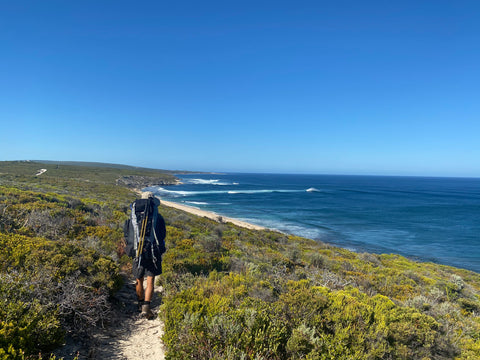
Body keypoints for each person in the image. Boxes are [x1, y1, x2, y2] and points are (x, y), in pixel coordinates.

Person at [124, 191, 166, 319]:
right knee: (150, 280)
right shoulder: (158, 217)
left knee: (139, 280)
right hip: (152, 251)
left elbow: (127, 234)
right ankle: (146, 309)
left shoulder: (133, 217)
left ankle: (140, 303)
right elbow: (162, 235)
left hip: (137, 251)